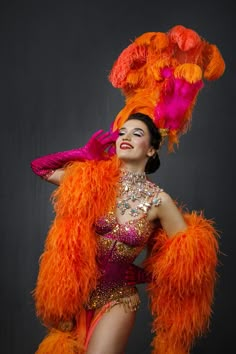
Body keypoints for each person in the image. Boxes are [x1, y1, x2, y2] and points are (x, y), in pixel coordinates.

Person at [30, 25, 225, 354]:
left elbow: (185, 269)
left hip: (117, 301)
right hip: (74, 298)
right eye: (123, 131)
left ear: (151, 149)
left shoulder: (159, 200)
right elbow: (40, 167)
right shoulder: (92, 180)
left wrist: (146, 274)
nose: (126, 137)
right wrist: (84, 156)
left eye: (137, 134)